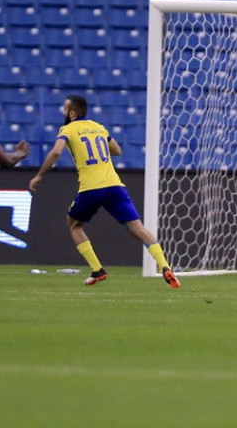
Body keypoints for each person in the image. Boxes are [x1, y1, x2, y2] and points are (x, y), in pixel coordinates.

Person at [28, 95, 179, 288]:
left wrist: (39, 175)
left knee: (73, 225)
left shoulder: (67, 129)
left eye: (65, 109)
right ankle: (165, 266)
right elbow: (117, 150)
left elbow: (57, 152)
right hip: (114, 186)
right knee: (138, 228)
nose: (64, 113)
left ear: (72, 113)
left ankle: (97, 269)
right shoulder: (99, 127)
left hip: (91, 188)